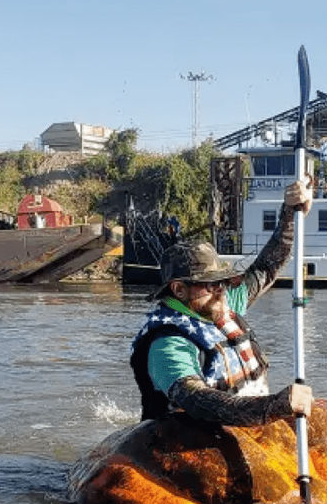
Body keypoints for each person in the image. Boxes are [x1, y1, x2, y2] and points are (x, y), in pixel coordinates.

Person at [130, 178, 313, 426]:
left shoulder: (221, 305)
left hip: (250, 426)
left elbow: (266, 268)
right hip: (185, 444)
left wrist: (290, 213)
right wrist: (274, 406)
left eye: (223, 281)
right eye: (210, 283)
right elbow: (197, 400)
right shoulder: (168, 343)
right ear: (179, 290)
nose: (221, 290)